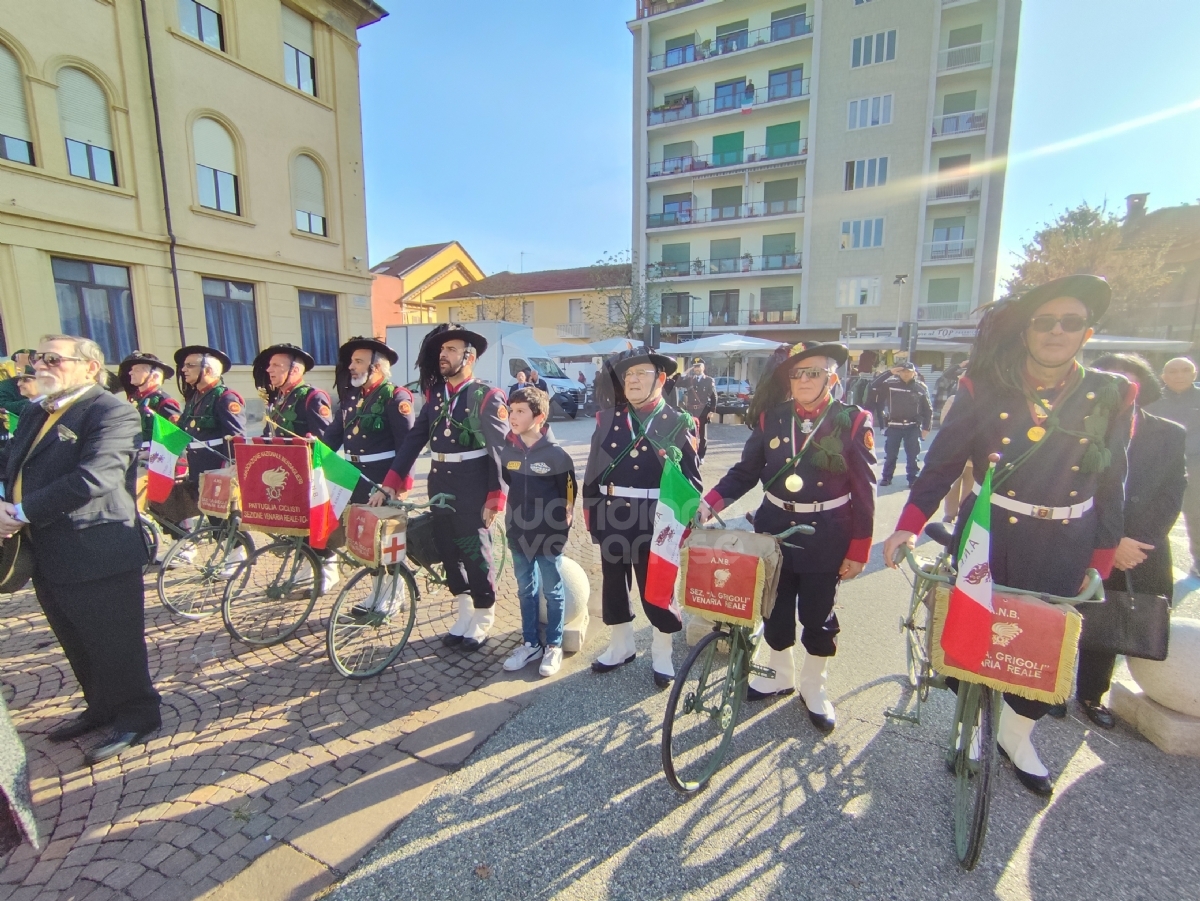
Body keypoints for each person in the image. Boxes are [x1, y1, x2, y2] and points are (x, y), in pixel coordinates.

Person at [882, 274, 1135, 796]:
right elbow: (941, 466)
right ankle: (972, 723)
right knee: (972, 632)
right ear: (1026, 332)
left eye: (1070, 322)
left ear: (1087, 333)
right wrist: (907, 526)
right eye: (1045, 322)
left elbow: (1113, 480)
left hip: (1068, 539)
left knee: (1044, 647)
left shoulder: (1110, 393)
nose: (1056, 331)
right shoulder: (984, 386)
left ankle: (1018, 736)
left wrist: (1104, 553)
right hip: (989, 532)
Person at [698, 342, 875, 733]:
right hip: (774, 526)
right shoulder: (772, 418)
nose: (804, 380)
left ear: (832, 377)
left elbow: (864, 491)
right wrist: (709, 503)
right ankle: (780, 674)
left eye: (813, 372)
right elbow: (745, 472)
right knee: (774, 607)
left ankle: (814, 686)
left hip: (826, 532)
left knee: (817, 613)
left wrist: (859, 549)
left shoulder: (853, 420)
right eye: (797, 373)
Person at [0, 335, 161, 765]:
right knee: (75, 638)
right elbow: (12, 460)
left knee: (115, 641)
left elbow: (95, 478)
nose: (40, 365)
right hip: (48, 550)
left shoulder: (113, 411)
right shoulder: (39, 409)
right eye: (38, 357)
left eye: (54, 358)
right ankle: (101, 706)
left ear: (91, 368)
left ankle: (138, 715)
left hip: (98, 550)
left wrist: (19, 510)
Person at [1070, 353, 1185, 728]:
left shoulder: (1169, 433)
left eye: (1128, 379)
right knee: (1065, 615)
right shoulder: (1075, 427)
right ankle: (1049, 689)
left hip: (1137, 546)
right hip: (1081, 536)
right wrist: (1107, 540)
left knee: (1109, 620)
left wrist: (1135, 542)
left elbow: (1172, 493)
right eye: (1110, 377)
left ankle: (1090, 694)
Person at [378, 325, 509, 649]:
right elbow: (412, 442)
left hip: (473, 483)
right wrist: (391, 484)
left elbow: (500, 450)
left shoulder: (486, 395)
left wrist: (496, 496)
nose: (443, 356)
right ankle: (464, 611)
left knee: (474, 550)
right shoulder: (436, 396)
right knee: (448, 550)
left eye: (451, 350)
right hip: (440, 481)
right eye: (441, 351)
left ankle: (483, 613)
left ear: (470, 356)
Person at [583, 347, 701, 688]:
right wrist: (592, 513)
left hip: (657, 519)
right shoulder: (608, 420)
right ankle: (621, 646)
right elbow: (593, 471)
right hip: (613, 514)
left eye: (642, 374)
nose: (633, 380)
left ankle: (661, 652)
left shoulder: (679, 422)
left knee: (658, 587)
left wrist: (684, 523)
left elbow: (692, 481)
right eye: (628, 375)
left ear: (661, 379)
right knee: (614, 585)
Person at [500, 386, 577, 678]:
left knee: (553, 592)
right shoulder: (509, 451)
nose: (512, 416)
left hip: (549, 536)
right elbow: (510, 482)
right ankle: (531, 643)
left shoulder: (558, 457)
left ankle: (554, 645)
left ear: (539, 417)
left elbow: (568, 497)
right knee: (525, 590)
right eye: (511, 410)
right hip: (518, 534)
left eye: (520, 411)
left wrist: (559, 530)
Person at [324, 337, 415, 505]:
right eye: (352, 361)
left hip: (380, 483)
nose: (351, 367)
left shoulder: (395, 397)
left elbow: (407, 446)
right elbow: (332, 437)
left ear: (377, 368)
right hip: (350, 479)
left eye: (358, 362)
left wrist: (400, 487)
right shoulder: (351, 397)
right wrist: (312, 449)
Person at [173, 345, 247, 525]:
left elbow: (236, 437)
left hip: (217, 467)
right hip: (199, 466)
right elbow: (182, 428)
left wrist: (230, 468)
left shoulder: (225, 397)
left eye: (190, 365)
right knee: (211, 517)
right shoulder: (195, 398)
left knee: (223, 518)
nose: (183, 370)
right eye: (184, 366)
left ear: (207, 370)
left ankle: (238, 552)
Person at [1146, 356, 1200, 578]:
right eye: (1173, 371)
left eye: (1185, 370)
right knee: (1154, 515)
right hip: (1159, 468)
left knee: (1197, 515)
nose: (1179, 375)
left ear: (1194, 374)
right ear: (1163, 376)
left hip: (1195, 466)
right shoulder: (1152, 400)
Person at [254, 343, 333, 443]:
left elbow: (324, 442)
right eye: (270, 365)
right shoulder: (278, 397)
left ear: (294, 370)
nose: (268, 370)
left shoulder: (313, 396)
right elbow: (269, 435)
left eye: (276, 365)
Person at [872, 361, 932, 486]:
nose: (906, 374)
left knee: (912, 455)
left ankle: (912, 478)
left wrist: (927, 427)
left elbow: (928, 409)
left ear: (914, 373)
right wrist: (889, 372)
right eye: (903, 371)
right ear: (899, 372)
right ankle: (886, 478)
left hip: (913, 426)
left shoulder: (921, 387)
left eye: (909, 372)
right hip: (894, 426)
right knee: (890, 454)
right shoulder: (889, 384)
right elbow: (874, 386)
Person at [118, 351, 181, 451]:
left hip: (152, 460)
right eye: (131, 370)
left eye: (137, 370)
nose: (130, 373)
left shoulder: (164, 401)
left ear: (154, 376)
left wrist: (151, 453)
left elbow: (175, 436)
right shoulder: (134, 399)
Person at [676, 358, 718, 462]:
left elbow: (714, 396)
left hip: (703, 411)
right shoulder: (690, 380)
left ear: (703, 367)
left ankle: (701, 456)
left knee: (702, 435)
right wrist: (685, 372)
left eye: (698, 366)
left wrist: (712, 411)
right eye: (694, 366)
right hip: (690, 411)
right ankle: (691, 453)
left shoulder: (708, 380)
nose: (696, 368)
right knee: (689, 433)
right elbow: (677, 383)